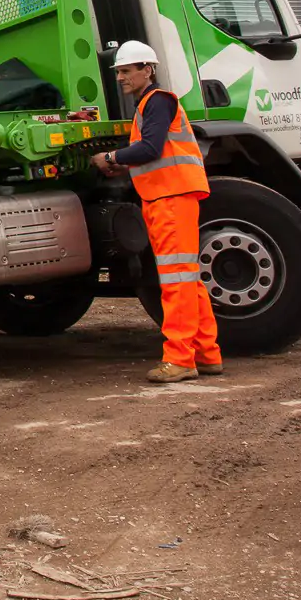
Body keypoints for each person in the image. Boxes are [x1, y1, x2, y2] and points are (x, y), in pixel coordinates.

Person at [90, 41, 221, 383]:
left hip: (170, 198)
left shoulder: (157, 101)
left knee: (176, 280)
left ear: (147, 69)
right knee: (188, 278)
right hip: (169, 196)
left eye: (126, 71)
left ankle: (179, 359)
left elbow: (151, 147)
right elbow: (154, 154)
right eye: (118, 72)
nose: (120, 78)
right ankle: (207, 354)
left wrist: (112, 159)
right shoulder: (152, 103)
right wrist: (125, 167)